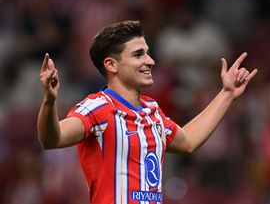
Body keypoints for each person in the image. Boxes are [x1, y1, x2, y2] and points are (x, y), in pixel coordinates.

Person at [37, 20, 257, 204]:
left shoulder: (153, 112)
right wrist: (50, 100)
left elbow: (189, 140)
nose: (150, 61)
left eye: (148, 54)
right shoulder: (97, 108)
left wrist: (227, 94)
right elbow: (51, 139)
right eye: (138, 55)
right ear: (111, 65)